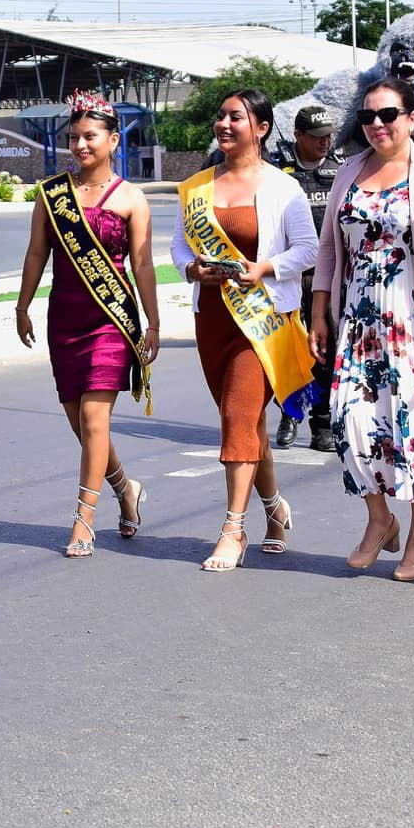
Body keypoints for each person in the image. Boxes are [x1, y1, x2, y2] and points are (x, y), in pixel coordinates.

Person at [309, 78, 414, 583]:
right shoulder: (350, 171)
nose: (377, 125)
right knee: (349, 419)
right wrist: (319, 311)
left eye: (388, 115)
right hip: (359, 320)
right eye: (368, 117)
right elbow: (329, 248)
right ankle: (380, 519)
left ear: (412, 118)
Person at [172, 88, 319, 572]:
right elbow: (179, 246)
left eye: (236, 117)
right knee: (248, 423)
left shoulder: (283, 187)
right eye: (221, 116)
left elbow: (308, 249)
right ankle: (275, 509)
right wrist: (192, 269)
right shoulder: (196, 187)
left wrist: (266, 268)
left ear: (261, 128)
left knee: (237, 417)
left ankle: (233, 529)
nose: (224, 124)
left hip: (261, 320)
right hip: (213, 319)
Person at [14, 91, 160, 557]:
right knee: (82, 425)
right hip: (64, 319)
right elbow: (36, 253)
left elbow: (143, 264)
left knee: (96, 419)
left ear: (113, 140)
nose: (80, 145)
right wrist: (22, 306)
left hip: (111, 321)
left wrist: (153, 323)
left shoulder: (132, 198)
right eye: (74, 137)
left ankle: (84, 519)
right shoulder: (53, 194)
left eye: (90, 136)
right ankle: (125, 488)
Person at [272, 103, 344, 453]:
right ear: (297, 135)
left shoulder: (342, 169)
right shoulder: (278, 173)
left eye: (328, 135)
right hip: (289, 276)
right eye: (316, 136)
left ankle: (323, 423)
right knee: (289, 350)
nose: (324, 142)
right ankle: (289, 413)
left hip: (327, 278)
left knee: (325, 351)